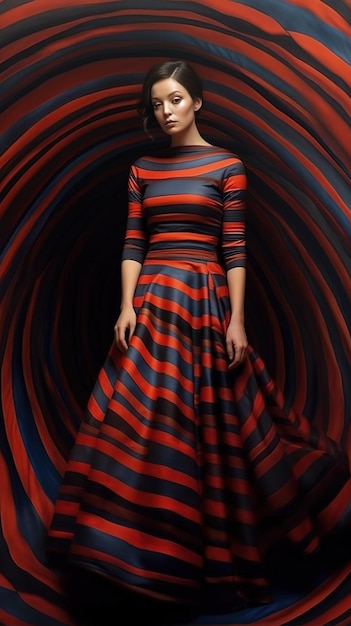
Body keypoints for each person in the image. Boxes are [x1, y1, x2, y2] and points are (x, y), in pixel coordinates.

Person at [47, 59, 351, 617]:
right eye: (157, 103)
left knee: (216, 427)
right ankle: (131, 556)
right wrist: (124, 307)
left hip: (205, 300)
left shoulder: (228, 166)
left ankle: (228, 546)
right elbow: (133, 242)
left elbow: (234, 248)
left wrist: (236, 319)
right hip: (152, 305)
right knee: (142, 425)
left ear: (198, 102)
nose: (165, 112)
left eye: (175, 100)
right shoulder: (142, 168)